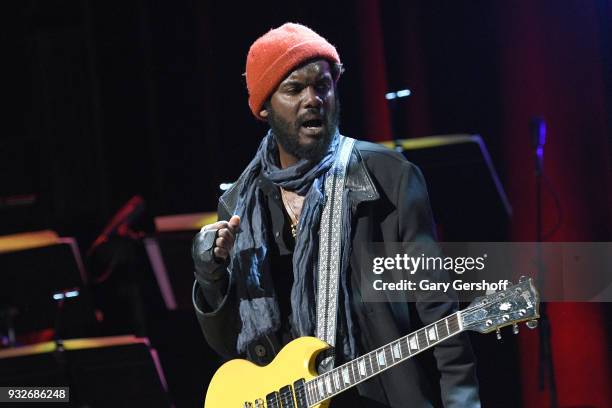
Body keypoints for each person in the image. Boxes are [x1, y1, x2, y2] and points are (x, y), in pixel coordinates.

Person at [192, 22, 480, 407]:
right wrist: (210, 277)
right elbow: (232, 345)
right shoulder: (240, 204)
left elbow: (442, 318)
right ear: (263, 107)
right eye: (294, 89)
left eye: (323, 85)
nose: (313, 99)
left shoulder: (388, 179)